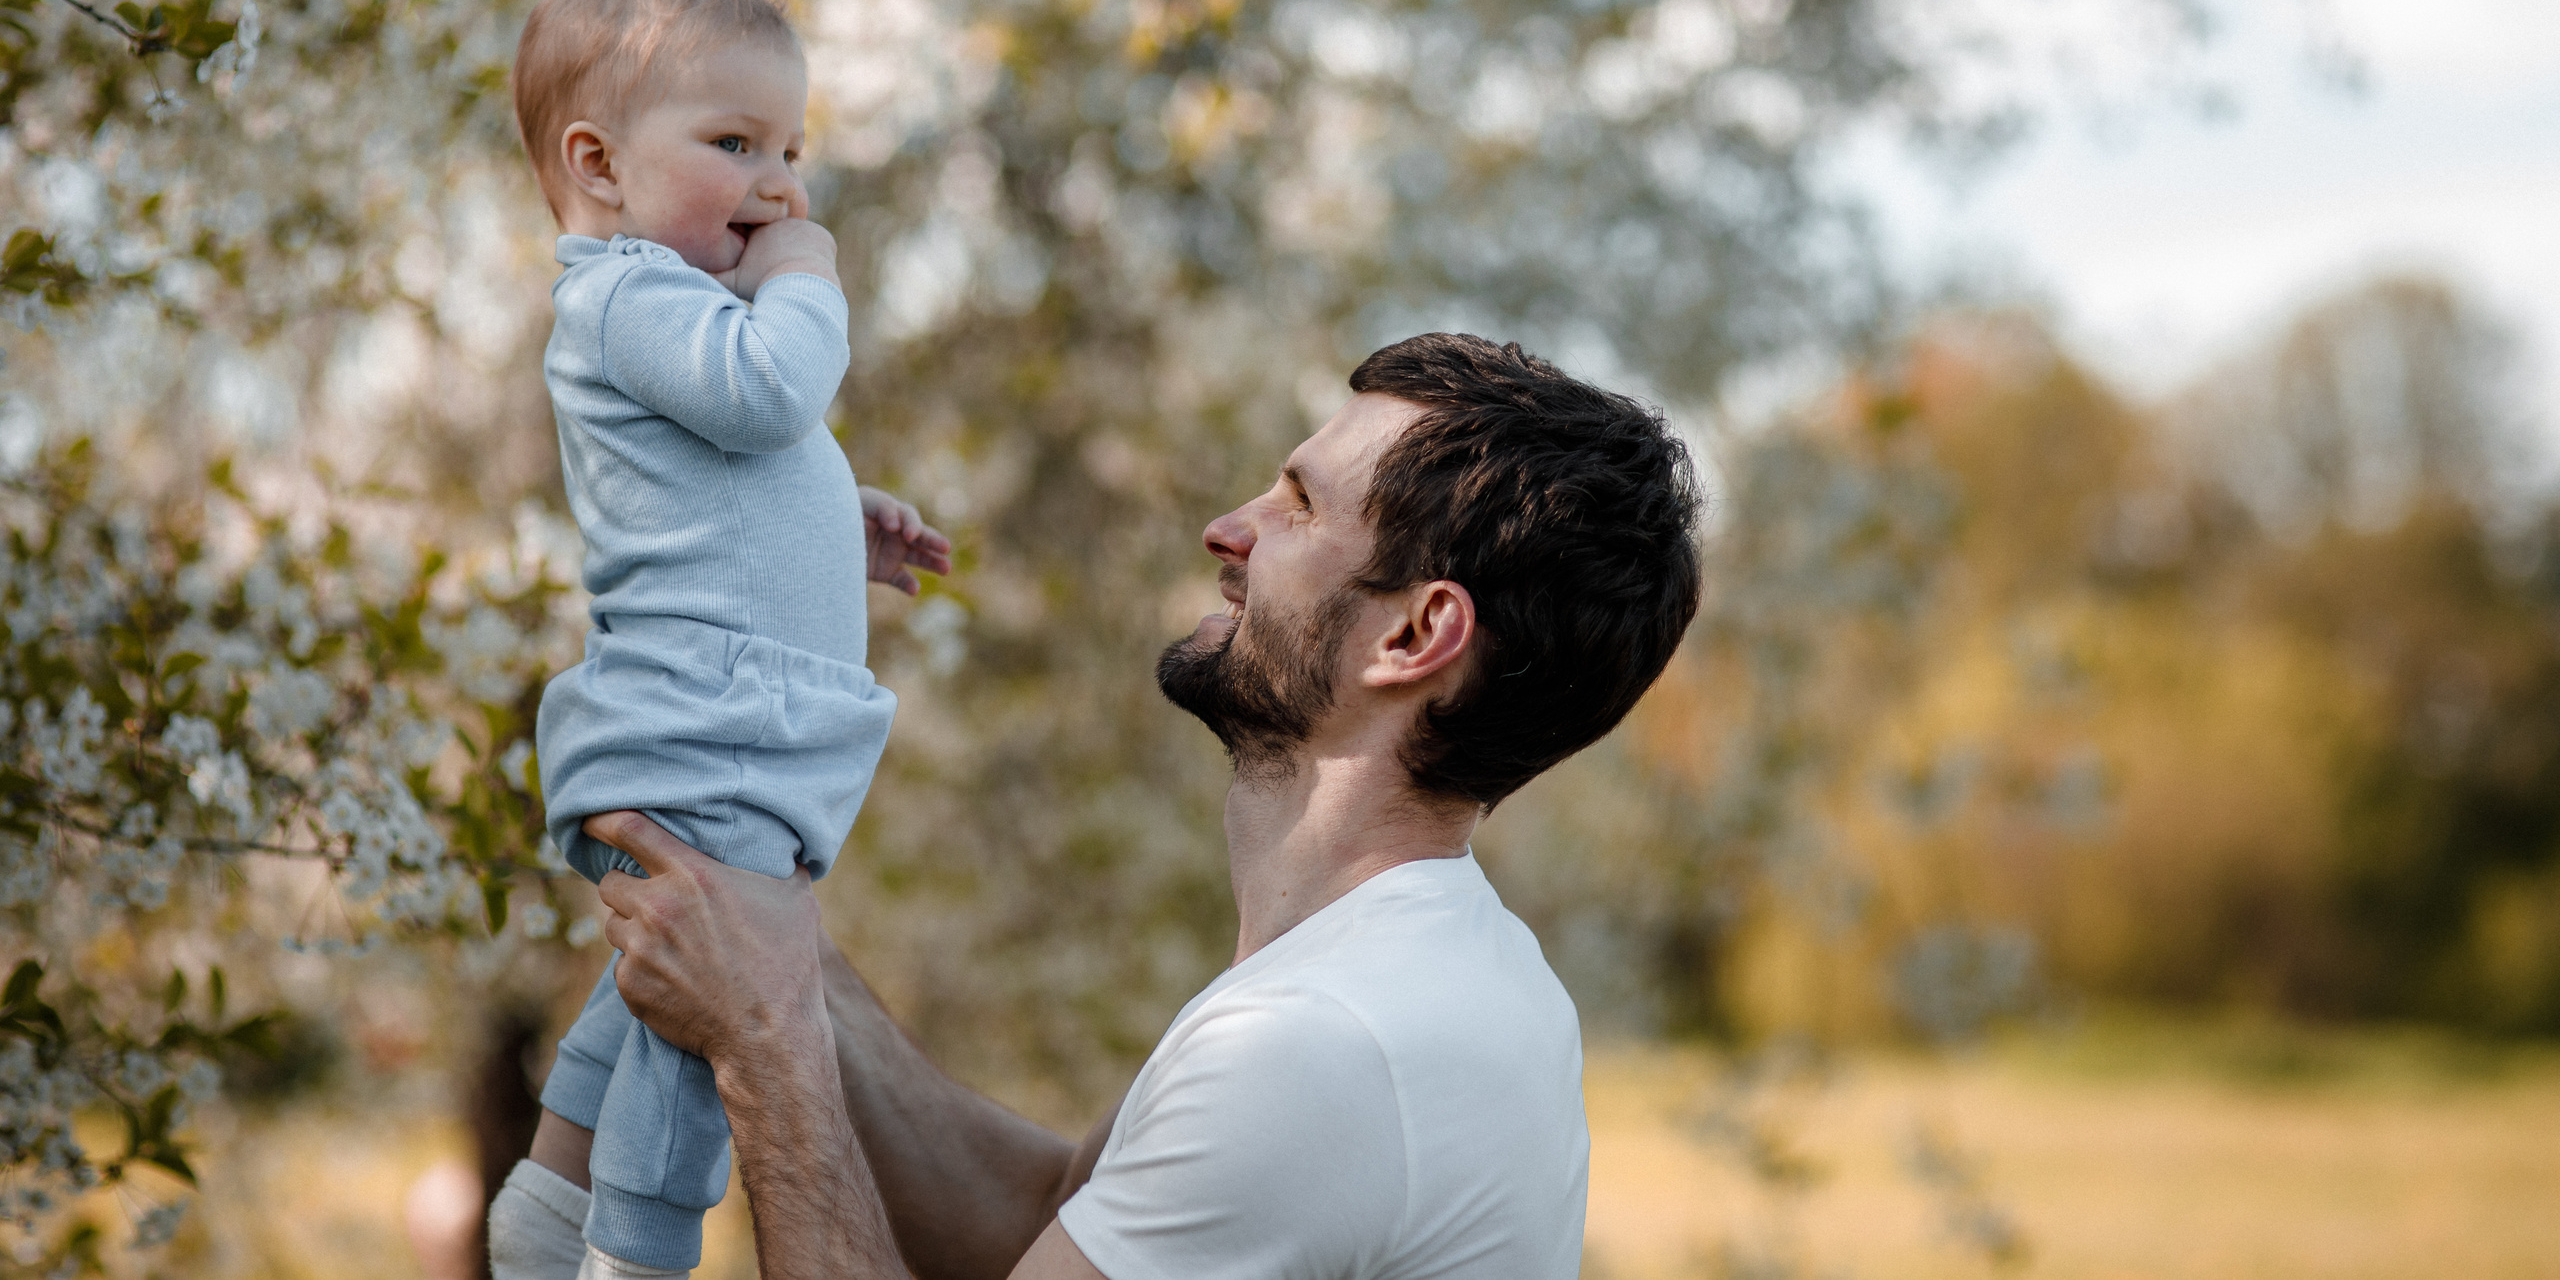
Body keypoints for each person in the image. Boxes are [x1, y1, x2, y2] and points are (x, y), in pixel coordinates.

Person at [506, 332, 1701, 1280]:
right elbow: (1045, 1224)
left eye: (1294, 506)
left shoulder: (1320, 1050)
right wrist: (780, 945)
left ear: (1415, 633)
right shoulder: (1408, 972)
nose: (1226, 530)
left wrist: (767, 1048)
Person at [484, 0, 952, 1280]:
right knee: (717, 997)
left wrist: (833, 526)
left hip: (719, 707)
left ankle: (548, 1199)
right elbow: (766, 395)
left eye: (792, 148)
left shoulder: (668, 305)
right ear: (602, 165)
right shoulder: (628, 292)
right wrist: (811, 277)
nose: (782, 184)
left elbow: (727, 472)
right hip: (712, 720)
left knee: (658, 980)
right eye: (735, 141)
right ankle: (634, 1251)